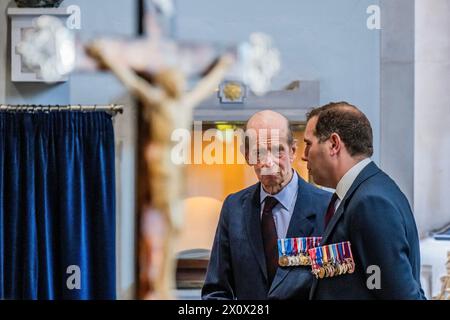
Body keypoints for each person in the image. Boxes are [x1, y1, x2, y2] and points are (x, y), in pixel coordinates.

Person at [202, 110, 331, 299]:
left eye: (278, 150)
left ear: (293, 151)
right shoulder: (234, 208)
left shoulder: (327, 207)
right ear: (247, 156)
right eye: (259, 152)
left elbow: (335, 289)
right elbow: (216, 290)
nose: (269, 162)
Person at [302, 101, 425, 299]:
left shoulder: (370, 201)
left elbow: (399, 294)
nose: (304, 156)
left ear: (334, 144)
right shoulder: (361, 193)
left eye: (309, 144)